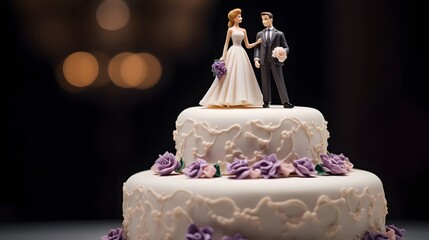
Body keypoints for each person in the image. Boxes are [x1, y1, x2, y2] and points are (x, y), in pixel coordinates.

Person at [200, 8, 263, 107]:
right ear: (234, 18)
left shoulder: (243, 30)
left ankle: (242, 97)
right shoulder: (230, 30)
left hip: (241, 52)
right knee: (229, 75)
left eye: (240, 16)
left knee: (241, 75)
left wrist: (257, 42)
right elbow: (226, 43)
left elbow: (247, 45)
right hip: (232, 51)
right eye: (239, 16)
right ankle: (227, 97)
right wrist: (223, 56)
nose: (241, 18)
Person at [254, 11, 294, 108]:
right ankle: (266, 101)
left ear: (271, 19)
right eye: (262, 19)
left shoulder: (279, 34)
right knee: (265, 80)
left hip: (275, 60)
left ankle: (285, 101)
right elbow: (257, 47)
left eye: (266, 19)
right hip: (263, 60)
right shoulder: (259, 34)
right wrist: (256, 58)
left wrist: (282, 52)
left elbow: (286, 47)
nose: (263, 21)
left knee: (279, 79)